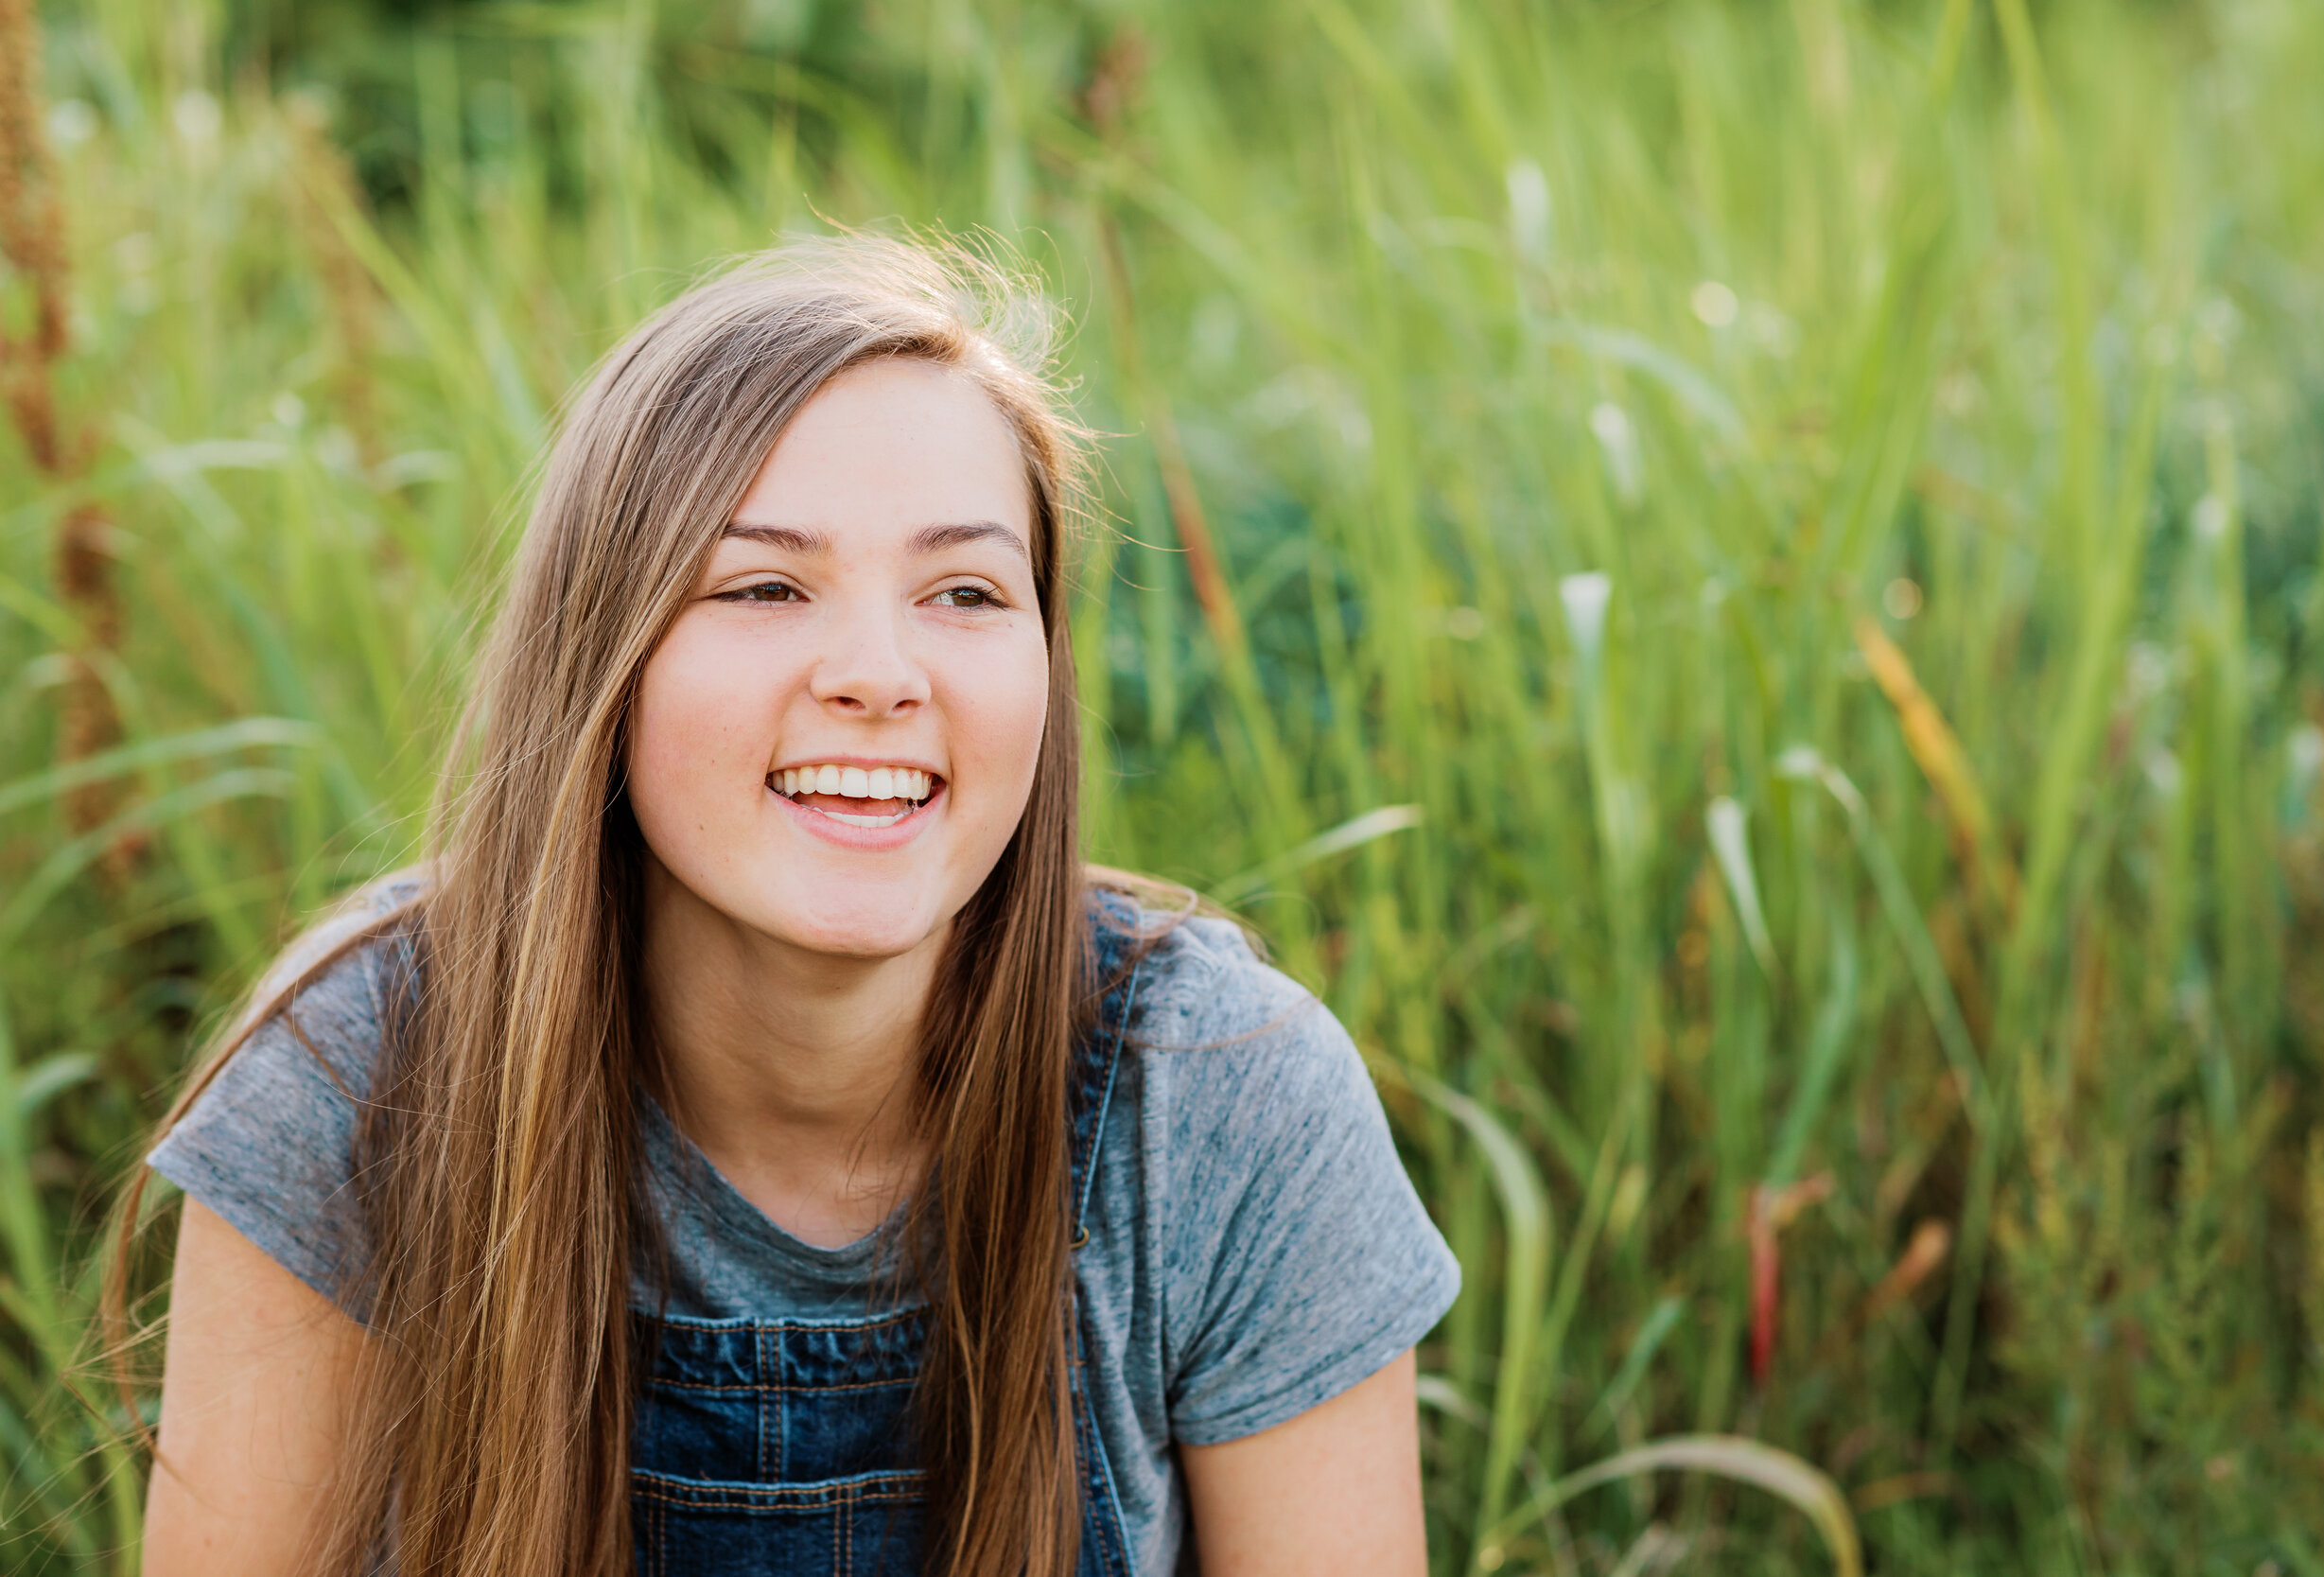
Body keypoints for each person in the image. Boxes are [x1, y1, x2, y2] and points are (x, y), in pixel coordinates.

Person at [123, 235, 1459, 1577]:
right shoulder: (359, 1076)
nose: (880, 675)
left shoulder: (1221, 1102)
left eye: (965, 592)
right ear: (606, 655)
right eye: (764, 586)